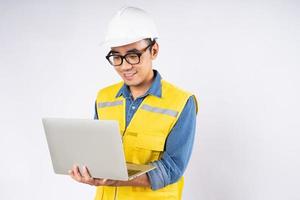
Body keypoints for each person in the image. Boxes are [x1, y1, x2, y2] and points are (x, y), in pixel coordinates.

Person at [68, 6, 198, 200]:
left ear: (154, 50)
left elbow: (172, 168)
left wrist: (118, 179)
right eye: (116, 57)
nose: (125, 66)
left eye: (133, 55)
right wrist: (87, 169)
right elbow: (98, 154)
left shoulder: (181, 102)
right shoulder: (104, 98)